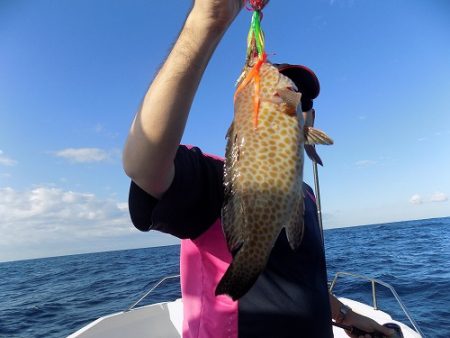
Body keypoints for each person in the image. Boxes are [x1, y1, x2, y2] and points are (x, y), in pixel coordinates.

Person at [123, 1, 396, 337]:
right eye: (283, 88)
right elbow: (143, 166)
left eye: (303, 101)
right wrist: (206, 22)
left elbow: (298, 277)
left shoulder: (303, 194)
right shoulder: (215, 179)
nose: (294, 98)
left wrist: (345, 314)